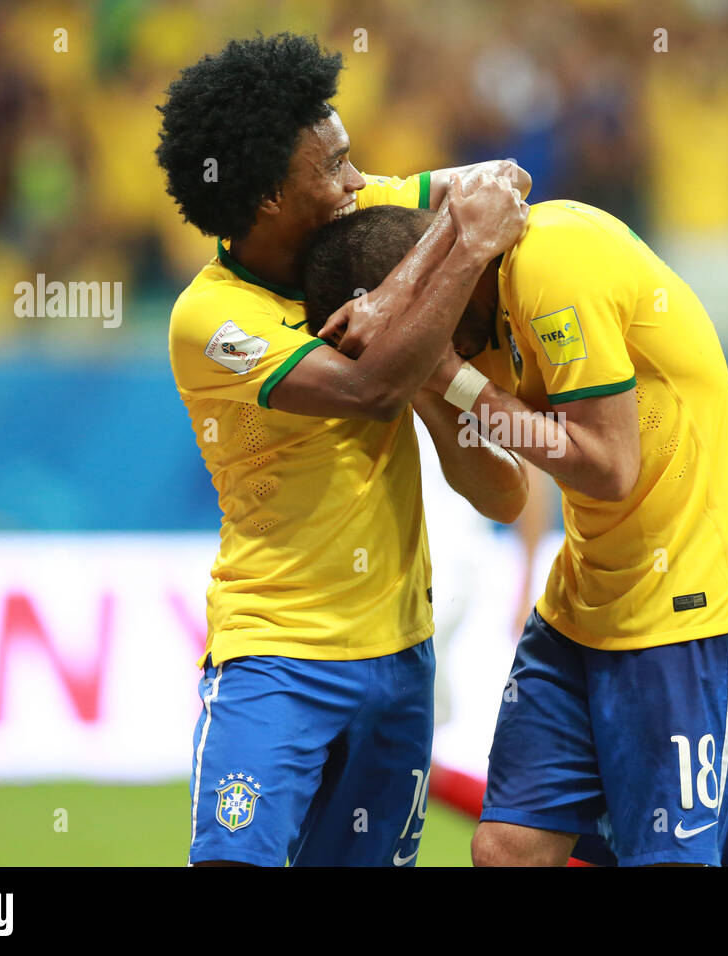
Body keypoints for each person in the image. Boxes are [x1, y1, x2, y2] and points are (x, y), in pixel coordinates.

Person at [301, 198, 728, 866]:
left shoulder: (554, 263)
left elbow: (611, 468)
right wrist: (426, 380)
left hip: (695, 597)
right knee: (508, 849)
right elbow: (500, 494)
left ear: (422, 289)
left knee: (669, 856)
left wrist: (451, 378)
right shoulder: (461, 328)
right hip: (584, 601)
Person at [156, 32, 529, 867]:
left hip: (401, 658)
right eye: (334, 167)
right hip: (277, 657)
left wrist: (397, 287)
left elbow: (506, 182)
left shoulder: (364, 220)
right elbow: (369, 390)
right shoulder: (210, 320)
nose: (361, 182)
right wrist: (457, 251)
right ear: (265, 201)